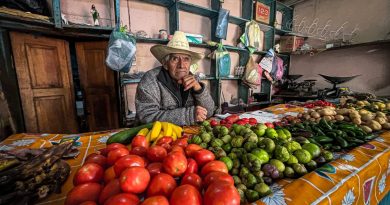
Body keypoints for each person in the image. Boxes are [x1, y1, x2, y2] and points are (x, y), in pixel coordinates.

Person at [135, 31, 215, 125]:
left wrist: (199, 90)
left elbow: (209, 112)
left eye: (186, 59)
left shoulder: (194, 79)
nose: (181, 65)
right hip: (156, 137)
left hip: (185, 135)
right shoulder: (150, 80)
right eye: (175, 59)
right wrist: (188, 115)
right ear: (165, 64)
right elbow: (146, 117)